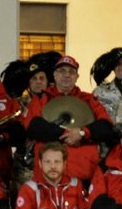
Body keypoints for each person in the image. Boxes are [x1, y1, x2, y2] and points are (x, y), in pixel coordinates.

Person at [23, 55, 115, 183]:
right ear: (54, 75)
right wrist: (68, 135)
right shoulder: (41, 98)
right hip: (48, 175)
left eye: (71, 72)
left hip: (82, 173)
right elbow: (32, 126)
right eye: (62, 71)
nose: (67, 75)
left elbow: (106, 127)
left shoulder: (88, 99)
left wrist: (82, 133)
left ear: (77, 77)